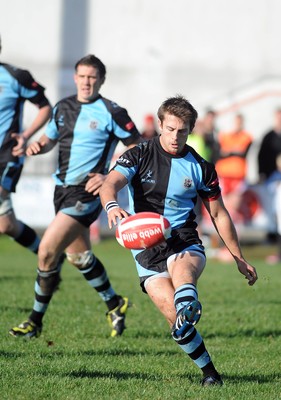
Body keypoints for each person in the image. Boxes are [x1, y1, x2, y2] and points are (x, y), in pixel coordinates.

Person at [99, 95, 258, 386]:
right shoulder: (138, 154)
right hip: (145, 249)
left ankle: (188, 301)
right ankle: (210, 374)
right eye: (170, 129)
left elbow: (220, 214)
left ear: (190, 131)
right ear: (160, 125)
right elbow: (110, 183)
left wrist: (238, 257)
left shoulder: (201, 167)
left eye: (182, 131)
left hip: (183, 239)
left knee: (183, 271)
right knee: (177, 323)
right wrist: (111, 205)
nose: (175, 136)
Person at [9, 54, 141, 339]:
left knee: (46, 252)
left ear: (101, 80)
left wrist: (109, 176)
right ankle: (115, 303)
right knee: (79, 256)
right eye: (82, 76)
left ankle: (34, 321)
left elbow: (137, 148)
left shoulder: (112, 111)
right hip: (61, 191)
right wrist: (36, 146)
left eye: (92, 77)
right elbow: (50, 139)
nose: (86, 82)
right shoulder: (63, 107)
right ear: (75, 78)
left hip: (86, 193)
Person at [0, 35, 51, 254]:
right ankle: (46, 256)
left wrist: (27, 135)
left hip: (7, 153)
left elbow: (45, 107)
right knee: (6, 225)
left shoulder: (15, 76)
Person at [258, 108, 281, 182]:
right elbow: (261, 156)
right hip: (271, 176)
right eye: (278, 118)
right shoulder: (268, 137)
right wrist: (262, 174)